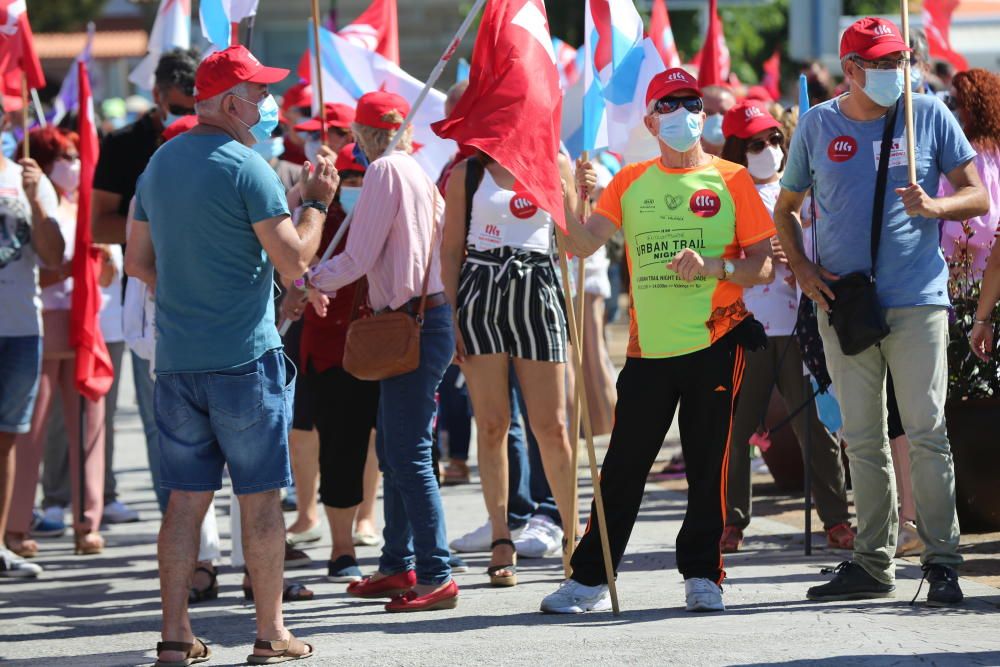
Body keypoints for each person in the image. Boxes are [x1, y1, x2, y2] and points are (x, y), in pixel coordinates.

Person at [125, 45, 334, 663]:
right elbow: (295, 261)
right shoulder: (249, 167)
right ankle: (270, 634)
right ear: (230, 103)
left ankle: (174, 635)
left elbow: (138, 263)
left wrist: (189, 294)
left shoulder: (159, 164)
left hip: (179, 361)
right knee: (260, 501)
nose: (266, 105)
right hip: (244, 359)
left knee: (185, 502)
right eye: (259, 94)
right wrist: (318, 203)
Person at [540, 68, 776, 614]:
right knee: (622, 465)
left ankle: (703, 574)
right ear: (650, 120)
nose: (681, 113)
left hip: (716, 341)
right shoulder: (630, 181)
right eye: (667, 105)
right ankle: (590, 579)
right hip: (648, 353)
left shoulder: (732, 179)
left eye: (689, 102)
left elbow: (762, 267)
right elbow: (580, 243)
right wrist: (561, 198)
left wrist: (713, 265)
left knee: (707, 463)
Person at [774, 17, 988, 606]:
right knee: (862, 438)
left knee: (927, 432)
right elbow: (785, 208)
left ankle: (943, 561)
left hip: (918, 301)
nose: (894, 71)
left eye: (899, 60)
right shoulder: (818, 124)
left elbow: (978, 194)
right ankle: (873, 561)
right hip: (844, 304)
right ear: (850, 70)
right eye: (880, 62)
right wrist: (804, 269)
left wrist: (938, 205)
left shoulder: (928, 115)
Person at [309, 91, 458, 613]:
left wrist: (310, 278)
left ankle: (435, 573)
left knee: (408, 452)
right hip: (425, 318)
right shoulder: (417, 172)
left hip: (410, 322)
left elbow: (358, 254)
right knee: (399, 449)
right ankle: (399, 564)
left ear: (365, 134)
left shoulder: (383, 172)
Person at [441, 136, 580, 586]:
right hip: (481, 287)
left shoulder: (553, 160)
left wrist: (580, 191)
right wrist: (453, 315)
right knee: (493, 423)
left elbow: (575, 240)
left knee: (553, 426)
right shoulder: (469, 172)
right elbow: (449, 249)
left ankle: (573, 536)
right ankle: (501, 536)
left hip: (539, 286)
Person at [717, 101, 854, 553]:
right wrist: (756, 260)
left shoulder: (803, 192)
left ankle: (837, 520)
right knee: (736, 432)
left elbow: (825, 250)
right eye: (756, 143)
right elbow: (715, 262)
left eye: (775, 139)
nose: (769, 150)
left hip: (800, 329)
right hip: (746, 329)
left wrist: (800, 262)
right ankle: (731, 521)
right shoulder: (722, 195)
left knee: (814, 427)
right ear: (738, 149)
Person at [91, 47, 198, 522]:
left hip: (216, 297)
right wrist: (157, 227)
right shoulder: (124, 144)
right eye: (179, 107)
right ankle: (176, 523)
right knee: (164, 420)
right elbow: (98, 225)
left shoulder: (222, 137)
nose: (188, 115)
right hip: (150, 295)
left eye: (195, 107)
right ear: (156, 95)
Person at [280, 142, 379, 582]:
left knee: (394, 447)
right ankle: (341, 549)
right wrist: (305, 284)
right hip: (329, 349)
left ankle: (400, 540)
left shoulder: (385, 212)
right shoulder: (317, 218)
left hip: (388, 343)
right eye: (350, 180)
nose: (356, 188)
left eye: (363, 179)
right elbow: (292, 265)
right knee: (339, 449)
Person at [7, 128, 108, 558]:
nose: (74, 163)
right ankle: (15, 524)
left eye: (76, 154)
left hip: (85, 326)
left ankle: (88, 522)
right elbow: (45, 267)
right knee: (27, 433)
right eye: (65, 155)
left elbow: (106, 276)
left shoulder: (82, 206)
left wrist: (99, 262)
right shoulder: (35, 194)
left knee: (89, 426)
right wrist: (72, 271)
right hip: (42, 324)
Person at [0, 102, 64, 579]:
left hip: (21, 328)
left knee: (5, 441)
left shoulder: (29, 176)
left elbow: (54, 255)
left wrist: (35, 198)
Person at [700, 84, 736, 156]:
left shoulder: (745, 161)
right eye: (709, 113)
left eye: (724, 113)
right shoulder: (679, 161)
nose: (717, 118)